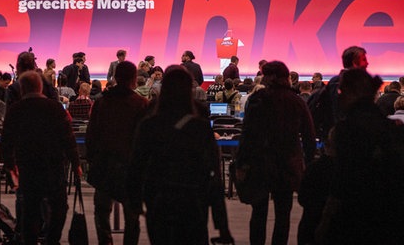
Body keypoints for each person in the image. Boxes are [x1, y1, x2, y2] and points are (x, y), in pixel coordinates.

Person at [127, 65, 232, 245]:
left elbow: (136, 166)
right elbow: (213, 174)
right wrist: (221, 225)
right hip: (194, 202)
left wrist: (135, 203)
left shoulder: (149, 125)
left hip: (159, 201)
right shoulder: (199, 126)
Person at [316, 68, 404, 244]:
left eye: (341, 91)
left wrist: (326, 221)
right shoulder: (390, 127)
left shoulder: (347, 130)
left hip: (353, 214)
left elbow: (342, 179)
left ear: (353, 93)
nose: (338, 96)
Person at [235, 61, 316, 245]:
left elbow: (248, 135)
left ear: (271, 77)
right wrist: (308, 164)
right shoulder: (296, 101)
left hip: (260, 164)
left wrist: (241, 162)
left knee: (258, 213)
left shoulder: (258, 99)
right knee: (283, 215)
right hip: (287, 165)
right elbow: (309, 136)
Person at [0, 71, 81, 245]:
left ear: (21, 89)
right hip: (53, 167)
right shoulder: (55, 108)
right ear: (41, 86)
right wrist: (76, 163)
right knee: (59, 208)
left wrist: (10, 167)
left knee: (30, 210)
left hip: (27, 168)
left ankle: (30, 241)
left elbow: (6, 142)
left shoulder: (15, 110)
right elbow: (68, 138)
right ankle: (52, 240)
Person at [86, 61, 149, 245]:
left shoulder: (101, 103)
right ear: (134, 79)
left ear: (115, 77)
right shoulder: (141, 104)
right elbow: (145, 140)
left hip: (104, 166)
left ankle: (105, 242)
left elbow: (92, 135)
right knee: (132, 217)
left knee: (101, 212)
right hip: (131, 169)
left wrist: (92, 160)